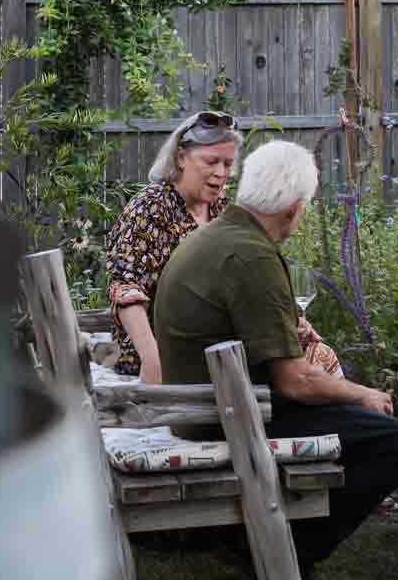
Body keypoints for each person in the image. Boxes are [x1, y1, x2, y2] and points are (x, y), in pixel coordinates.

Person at [151, 140, 398, 580]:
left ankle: (256, 540)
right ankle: (289, 554)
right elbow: (295, 380)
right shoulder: (253, 256)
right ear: (296, 208)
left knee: (349, 417)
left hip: (203, 404)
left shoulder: (220, 235)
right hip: (225, 418)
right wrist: (361, 393)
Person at [103, 111, 337, 383]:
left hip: (222, 343)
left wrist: (288, 323)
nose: (221, 173)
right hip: (169, 355)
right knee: (301, 379)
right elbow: (125, 287)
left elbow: (246, 280)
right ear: (180, 158)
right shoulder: (150, 207)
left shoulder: (221, 206)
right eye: (211, 161)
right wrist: (152, 359)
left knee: (319, 356)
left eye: (228, 164)